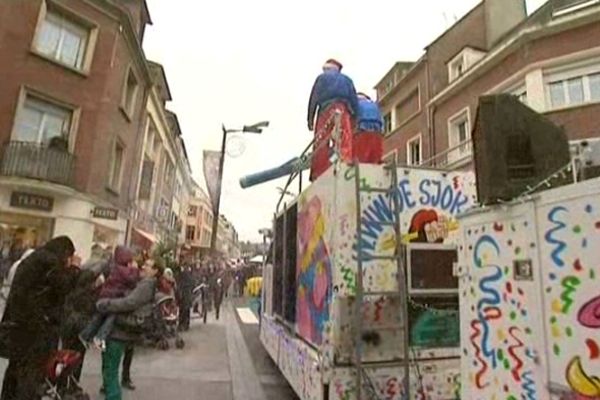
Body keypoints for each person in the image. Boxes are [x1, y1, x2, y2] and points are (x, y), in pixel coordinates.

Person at [0, 236, 80, 400]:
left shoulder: (34, 259)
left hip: (18, 326)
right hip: (36, 330)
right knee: (30, 375)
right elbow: (62, 288)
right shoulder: (50, 262)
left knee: (15, 370)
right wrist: (74, 269)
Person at [96, 258, 163, 400]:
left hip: (122, 329)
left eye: (148, 266)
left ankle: (113, 397)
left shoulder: (146, 284)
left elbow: (129, 303)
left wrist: (106, 304)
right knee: (109, 368)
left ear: (156, 271)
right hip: (123, 329)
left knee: (111, 370)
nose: (143, 267)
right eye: (144, 264)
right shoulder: (143, 282)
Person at [307, 59, 359, 181]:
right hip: (342, 109)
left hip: (325, 110)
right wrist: (355, 119)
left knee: (321, 142)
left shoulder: (321, 78)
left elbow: (313, 99)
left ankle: (318, 172)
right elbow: (354, 101)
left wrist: (310, 119)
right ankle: (344, 164)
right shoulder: (347, 80)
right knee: (344, 140)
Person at [79, 246, 139, 350]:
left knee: (99, 317)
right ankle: (100, 337)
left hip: (104, 296)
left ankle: (85, 335)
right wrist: (135, 268)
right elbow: (132, 279)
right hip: (112, 298)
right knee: (112, 316)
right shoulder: (123, 270)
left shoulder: (113, 267)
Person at [353, 92, 384, 164]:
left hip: (362, 128)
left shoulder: (356, 103)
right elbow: (381, 120)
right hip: (377, 130)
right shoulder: (374, 105)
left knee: (362, 158)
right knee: (375, 158)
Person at [177, 264, 194, 331]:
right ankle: (185, 324)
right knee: (185, 311)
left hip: (184, 295)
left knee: (183, 310)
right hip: (186, 295)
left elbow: (180, 284)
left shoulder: (183, 275)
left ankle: (182, 324)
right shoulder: (188, 275)